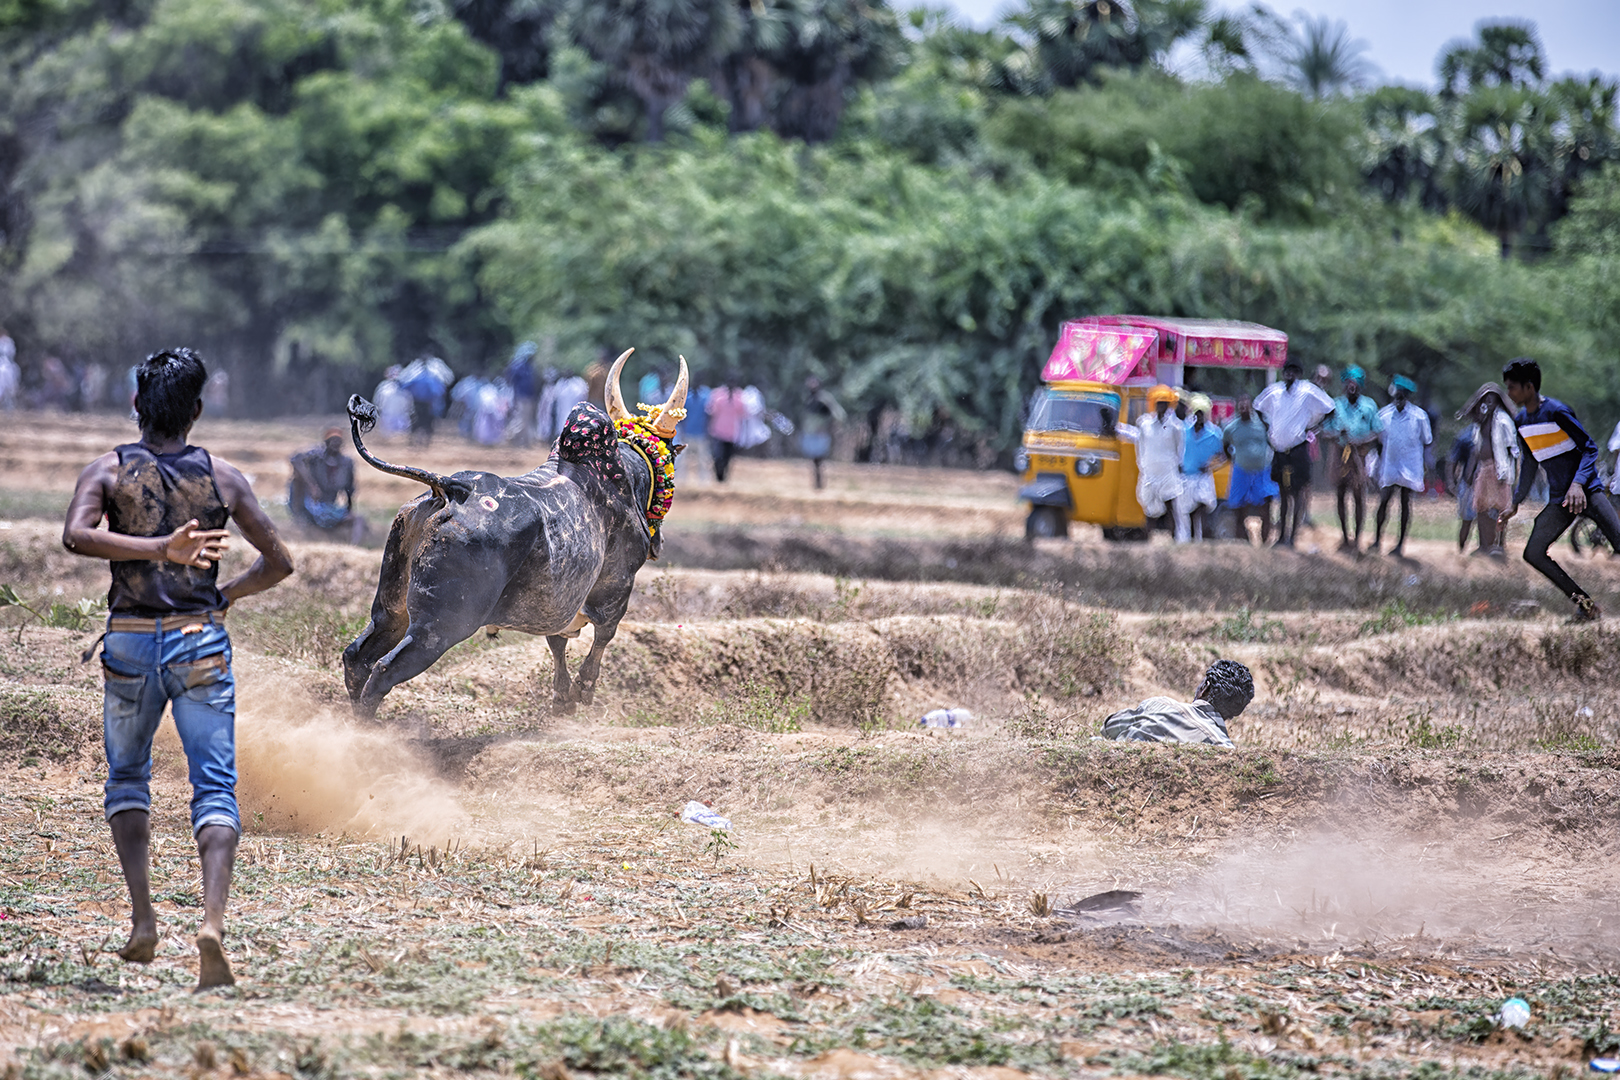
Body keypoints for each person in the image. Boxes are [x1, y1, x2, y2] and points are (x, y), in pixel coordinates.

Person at [60, 348, 294, 990]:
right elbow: (279, 562)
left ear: (136, 405)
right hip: (200, 644)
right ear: (196, 410)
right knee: (214, 788)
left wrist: (151, 548)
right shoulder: (223, 479)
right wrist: (223, 594)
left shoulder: (107, 470)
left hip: (131, 643)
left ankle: (143, 919)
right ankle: (211, 926)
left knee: (128, 780)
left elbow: (75, 536)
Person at [1499, 358, 1620, 622]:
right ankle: (1587, 606)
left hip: (1587, 493)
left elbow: (1590, 448)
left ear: (1529, 387)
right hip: (1559, 500)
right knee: (1533, 553)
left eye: (1512, 388)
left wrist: (1577, 484)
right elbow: (1530, 463)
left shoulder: (1556, 412)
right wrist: (1515, 502)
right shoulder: (1521, 421)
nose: (1509, 393)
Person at [1253, 360, 1333, 548]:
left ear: (1299, 374)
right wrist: (1268, 428)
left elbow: (1330, 409)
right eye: (1287, 372)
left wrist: (1314, 428)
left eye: (1294, 372)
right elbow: (1258, 406)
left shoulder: (1307, 391)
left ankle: (1292, 537)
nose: (1290, 376)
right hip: (1279, 450)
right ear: (1284, 373)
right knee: (1282, 493)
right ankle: (1281, 536)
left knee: (1297, 493)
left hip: (1298, 448)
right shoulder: (1275, 391)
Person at [1100, 659, 1254, 747]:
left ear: (1205, 688)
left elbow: (1109, 728)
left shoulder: (1159, 704)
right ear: (1237, 712)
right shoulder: (1225, 748)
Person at [1321, 367, 1382, 554]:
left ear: (1360, 386)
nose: (1351, 388)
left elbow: (1377, 432)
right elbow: (1324, 431)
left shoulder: (1369, 406)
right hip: (1340, 453)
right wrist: (1337, 435)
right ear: (1344, 385)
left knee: (1358, 495)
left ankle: (1357, 538)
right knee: (1340, 493)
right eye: (1348, 384)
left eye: (1355, 384)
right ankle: (1344, 536)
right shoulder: (1335, 405)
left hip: (1359, 454)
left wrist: (1360, 440)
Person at [1370, 376, 1431, 558]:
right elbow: (1379, 442)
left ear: (1407, 397)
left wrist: (1425, 465)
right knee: (1384, 502)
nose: (1399, 399)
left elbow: (1427, 441)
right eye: (1397, 395)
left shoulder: (1419, 416)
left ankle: (1400, 545)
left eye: (1402, 396)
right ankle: (1377, 539)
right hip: (1390, 465)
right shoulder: (1384, 415)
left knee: (1405, 504)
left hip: (1410, 467)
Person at [1456, 382, 1519, 558]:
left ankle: (1499, 545)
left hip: (1499, 470)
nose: (1489, 404)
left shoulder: (1504, 421)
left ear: (1498, 402)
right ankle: (1484, 545)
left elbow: (1512, 449)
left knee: (1500, 508)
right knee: (1481, 509)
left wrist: (1507, 473)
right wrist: (1469, 473)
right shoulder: (1480, 422)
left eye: (1492, 400)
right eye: (1486, 400)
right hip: (1483, 470)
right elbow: (1476, 450)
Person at [1120, 385, 1183, 536]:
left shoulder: (1176, 427)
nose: (1161, 406)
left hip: (1168, 471)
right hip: (1150, 471)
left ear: (1169, 405)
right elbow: (1140, 447)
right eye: (1158, 403)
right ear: (1153, 404)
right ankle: (1149, 541)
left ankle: (1174, 540)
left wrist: (1175, 465)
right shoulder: (1144, 424)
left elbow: (1179, 449)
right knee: (1149, 508)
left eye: (1164, 403)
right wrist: (1142, 465)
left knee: (1170, 507)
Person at [289, 427, 366, 545]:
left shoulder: (346, 463)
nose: (335, 443)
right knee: (296, 480)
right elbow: (295, 460)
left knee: (358, 520)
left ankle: (354, 546)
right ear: (326, 443)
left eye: (338, 441)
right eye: (332, 440)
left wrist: (349, 509)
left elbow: (349, 489)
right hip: (311, 506)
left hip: (329, 507)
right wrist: (311, 485)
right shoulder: (315, 456)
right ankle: (300, 520)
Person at [1222, 393, 1277, 545]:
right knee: (1238, 508)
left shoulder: (1262, 424)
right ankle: (1243, 541)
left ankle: (1265, 541)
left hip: (1261, 471)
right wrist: (1233, 458)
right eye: (1241, 406)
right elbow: (1225, 445)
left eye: (1246, 405)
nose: (1244, 408)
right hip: (1241, 471)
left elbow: (1272, 442)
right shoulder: (1231, 428)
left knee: (1265, 507)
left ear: (1251, 407)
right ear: (1238, 408)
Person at [1176, 394, 1223, 542]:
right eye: (1197, 413)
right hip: (1185, 477)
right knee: (1184, 513)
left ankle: (1200, 539)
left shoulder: (1214, 434)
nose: (1199, 417)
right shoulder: (1183, 430)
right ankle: (1188, 542)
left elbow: (1224, 455)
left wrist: (1211, 466)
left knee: (1202, 506)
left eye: (1202, 414)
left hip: (1202, 477)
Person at [801, 377, 845, 490]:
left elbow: (838, 414)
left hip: (821, 433)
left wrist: (831, 427)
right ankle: (817, 482)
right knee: (814, 460)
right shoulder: (808, 399)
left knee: (819, 459)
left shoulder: (825, 399)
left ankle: (819, 482)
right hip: (811, 433)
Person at [707, 380, 747, 482]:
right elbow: (711, 410)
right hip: (718, 431)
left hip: (732, 433)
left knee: (728, 457)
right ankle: (718, 476)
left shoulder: (739, 396)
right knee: (718, 456)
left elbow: (742, 413)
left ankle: (723, 478)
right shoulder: (718, 394)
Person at [1449, 423, 1477, 553]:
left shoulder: (1496, 432)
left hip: (1489, 483)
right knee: (1467, 519)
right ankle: (1461, 550)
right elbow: (1453, 460)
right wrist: (1451, 481)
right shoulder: (1465, 436)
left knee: (1490, 520)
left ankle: (1490, 549)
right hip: (1469, 484)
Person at [504, 342, 539, 446]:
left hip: (529, 396)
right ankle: (509, 435)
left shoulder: (529, 367)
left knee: (526, 419)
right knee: (521, 419)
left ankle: (522, 442)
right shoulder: (518, 365)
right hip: (521, 396)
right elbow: (509, 379)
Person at [0, 328, 18, 411]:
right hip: (5, 366)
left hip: (7, 366)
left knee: (9, 388)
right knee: (4, 388)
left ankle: (9, 408)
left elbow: (11, 354)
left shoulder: (8, 341)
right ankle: (7, 408)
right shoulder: (8, 341)